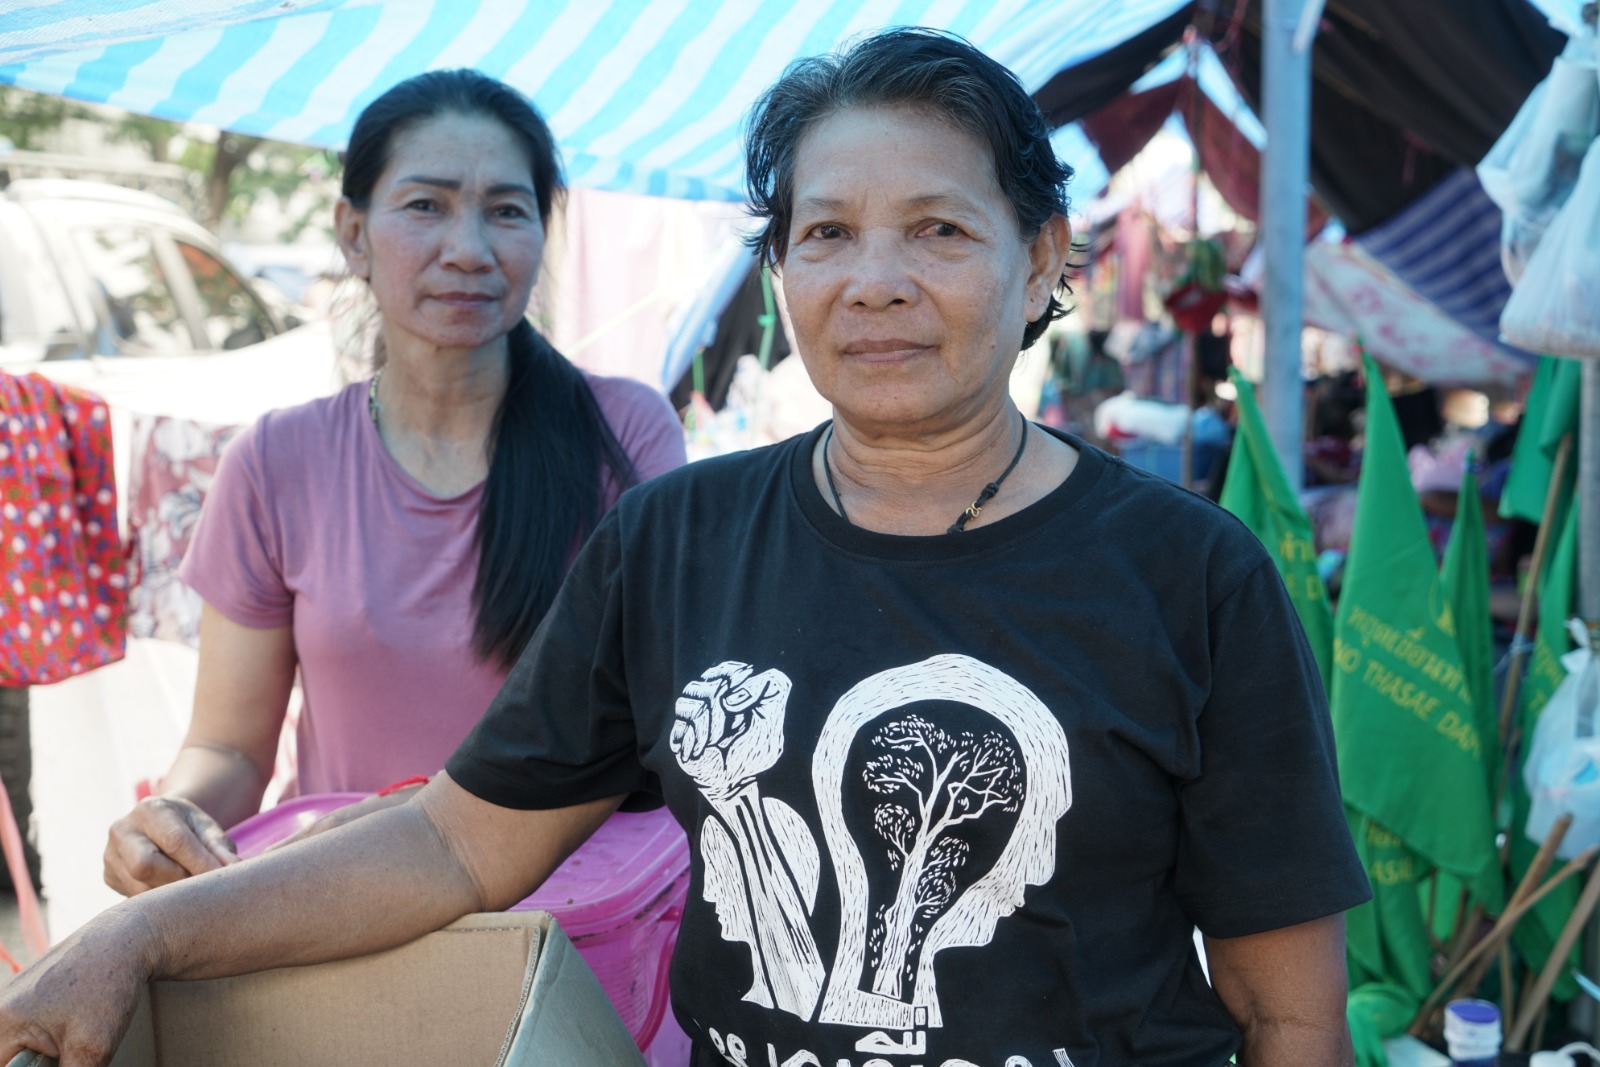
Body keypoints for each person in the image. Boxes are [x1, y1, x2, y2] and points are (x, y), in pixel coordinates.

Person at [1, 31, 1368, 1067]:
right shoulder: (678, 538)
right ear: (780, 271)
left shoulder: (1192, 573)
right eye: (824, 233)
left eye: (940, 230)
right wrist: (140, 932)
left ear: (1047, 255)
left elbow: (1286, 1003)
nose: (874, 278)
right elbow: (455, 845)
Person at [100, 68, 686, 897]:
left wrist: (439, 830)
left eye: (507, 211)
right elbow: (230, 747)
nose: (469, 249)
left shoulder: (626, 434)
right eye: (426, 205)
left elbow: (658, 726)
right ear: (352, 232)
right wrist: (173, 816)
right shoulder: (276, 461)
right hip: (341, 909)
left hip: (569, 922)